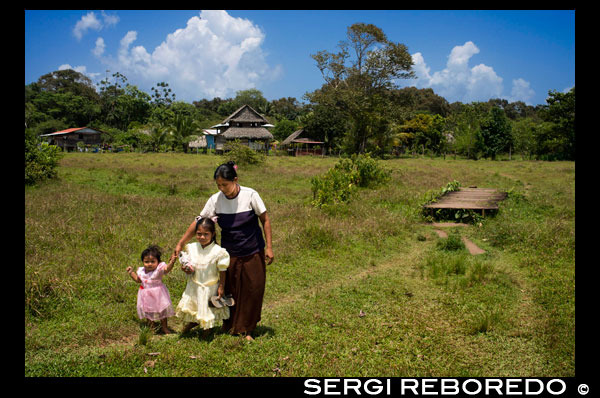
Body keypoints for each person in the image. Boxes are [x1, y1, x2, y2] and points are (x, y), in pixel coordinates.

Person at [175, 161, 273, 341]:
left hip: (253, 250)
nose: (222, 188)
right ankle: (230, 325)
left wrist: (269, 247)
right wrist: (181, 243)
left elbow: (265, 220)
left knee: (253, 289)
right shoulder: (215, 200)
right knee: (230, 290)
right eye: (218, 185)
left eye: (225, 184)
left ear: (235, 180)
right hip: (229, 254)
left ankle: (248, 329)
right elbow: (199, 222)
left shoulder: (250, 195)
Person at [175, 217, 231, 335]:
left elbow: (222, 270)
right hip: (194, 285)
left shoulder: (218, 252)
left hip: (210, 287)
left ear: (213, 234)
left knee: (207, 310)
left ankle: (207, 331)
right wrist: (186, 269)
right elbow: (187, 264)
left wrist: (221, 286)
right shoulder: (191, 248)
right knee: (195, 308)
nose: (202, 237)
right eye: (199, 234)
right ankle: (191, 324)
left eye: (206, 234)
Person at [126, 245, 176, 334]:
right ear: (143, 262)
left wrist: (172, 262)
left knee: (162, 311)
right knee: (148, 312)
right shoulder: (141, 271)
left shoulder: (159, 269)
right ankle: (152, 328)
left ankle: (164, 327)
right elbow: (138, 280)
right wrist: (131, 273)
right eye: (146, 262)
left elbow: (167, 269)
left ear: (158, 261)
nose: (149, 264)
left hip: (159, 294)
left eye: (153, 261)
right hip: (146, 295)